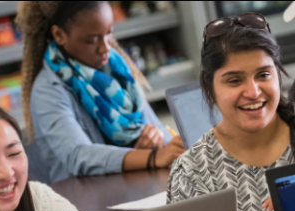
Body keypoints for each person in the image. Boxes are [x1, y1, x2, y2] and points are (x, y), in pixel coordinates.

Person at [167, 13, 295, 211]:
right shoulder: (192, 173)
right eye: (235, 80)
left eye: (263, 75)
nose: (253, 91)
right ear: (209, 89)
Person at [16, 1, 184, 183]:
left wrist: (155, 137)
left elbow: (162, 133)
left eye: (108, 33)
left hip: (133, 184)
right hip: (85, 199)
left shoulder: (118, 70)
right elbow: (79, 156)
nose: (105, 48)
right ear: (59, 35)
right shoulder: (47, 90)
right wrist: (151, 158)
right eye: (92, 40)